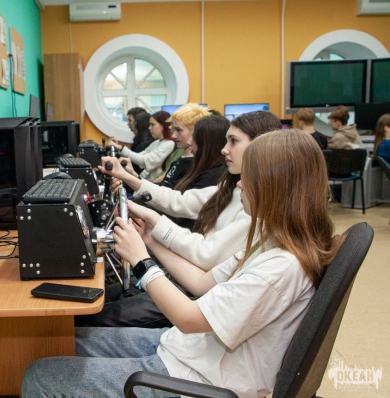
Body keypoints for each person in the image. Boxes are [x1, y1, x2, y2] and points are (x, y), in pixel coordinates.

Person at [22, 129, 346, 398]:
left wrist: (141, 261)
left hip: (197, 380)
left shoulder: (281, 267)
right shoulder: (270, 238)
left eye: (249, 178)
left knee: (41, 375)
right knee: (57, 341)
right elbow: (203, 284)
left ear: (274, 187)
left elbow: (190, 318)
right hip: (189, 351)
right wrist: (150, 241)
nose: (241, 184)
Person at [75, 111, 280, 329]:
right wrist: (128, 180)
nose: (224, 149)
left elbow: (205, 257)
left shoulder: (255, 209)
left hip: (189, 292)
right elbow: (180, 200)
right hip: (181, 276)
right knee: (104, 299)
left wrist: (151, 228)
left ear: (261, 147)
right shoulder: (232, 185)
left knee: (98, 318)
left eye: (233, 141)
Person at [107, 111, 175, 182]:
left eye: (152, 124)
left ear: (163, 126)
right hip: (145, 181)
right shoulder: (157, 142)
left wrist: (120, 148)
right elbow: (140, 155)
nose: (149, 128)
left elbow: (143, 161)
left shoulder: (169, 144)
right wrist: (119, 148)